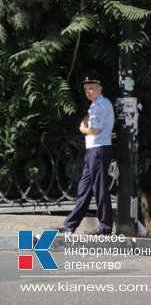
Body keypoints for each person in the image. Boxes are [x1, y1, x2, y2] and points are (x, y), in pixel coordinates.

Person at [57, 70, 115, 235]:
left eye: (91, 88)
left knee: (100, 190)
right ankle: (69, 225)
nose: (87, 91)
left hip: (99, 149)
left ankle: (105, 227)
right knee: (84, 190)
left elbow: (94, 130)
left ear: (99, 88)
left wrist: (82, 128)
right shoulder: (95, 105)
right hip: (93, 151)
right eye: (85, 88)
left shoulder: (101, 105)